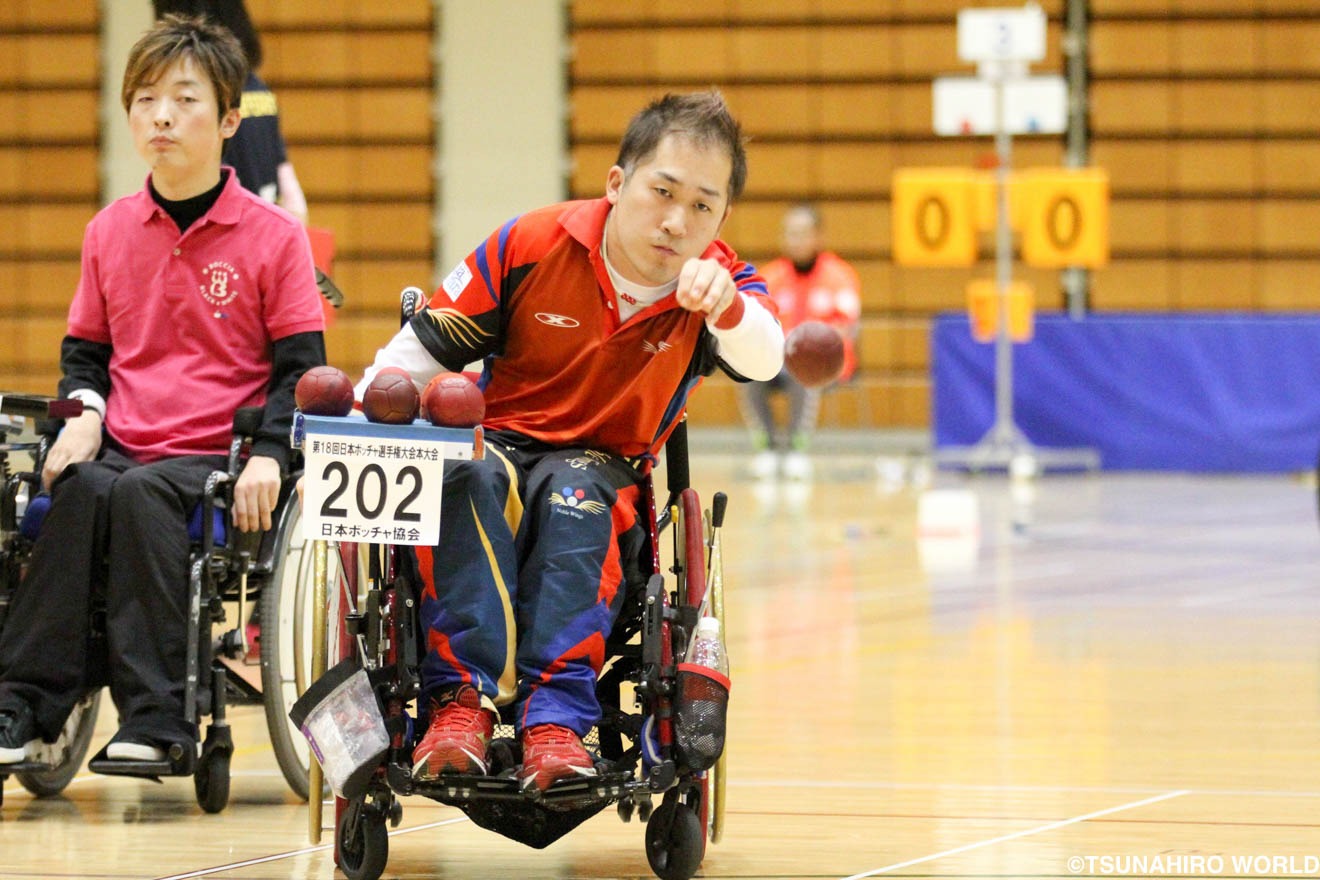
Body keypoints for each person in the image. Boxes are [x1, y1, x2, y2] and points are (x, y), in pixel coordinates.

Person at [354, 91, 782, 792]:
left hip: (605, 472)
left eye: (702, 206)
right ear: (617, 184)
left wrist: (728, 307)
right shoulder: (529, 244)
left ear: (722, 219)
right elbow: (414, 357)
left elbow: (767, 358)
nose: (677, 222)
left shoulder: (721, 285)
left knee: (574, 492)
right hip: (498, 444)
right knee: (463, 471)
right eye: (663, 191)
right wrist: (345, 435)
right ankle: (459, 707)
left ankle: (554, 722)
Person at [0, 14, 325, 766]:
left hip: (216, 455)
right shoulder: (108, 231)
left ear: (230, 119)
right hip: (123, 444)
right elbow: (85, 356)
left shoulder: (276, 236)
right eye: (145, 100)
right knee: (77, 490)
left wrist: (270, 454)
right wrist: (84, 415)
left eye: (183, 99)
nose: (162, 117)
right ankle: (22, 705)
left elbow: (300, 371)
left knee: (138, 494)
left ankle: (156, 722)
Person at [154, 0, 308, 224]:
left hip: (235, 231)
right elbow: (294, 199)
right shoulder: (258, 88)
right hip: (264, 227)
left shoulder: (206, 101)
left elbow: (212, 187)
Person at [738, 204, 861, 480]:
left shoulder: (840, 276)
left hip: (826, 364)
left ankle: (797, 449)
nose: (795, 241)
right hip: (778, 360)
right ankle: (768, 447)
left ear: (818, 237)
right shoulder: (769, 277)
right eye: (790, 234)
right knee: (747, 372)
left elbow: (847, 327)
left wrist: (809, 341)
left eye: (802, 234)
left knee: (803, 368)